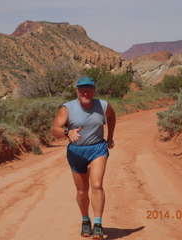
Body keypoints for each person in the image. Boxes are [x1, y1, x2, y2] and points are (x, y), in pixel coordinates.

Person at [52, 76, 116, 239]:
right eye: (82, 89)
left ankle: (98, 224)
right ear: (76, 90)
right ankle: (85, 220)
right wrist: (68, 132)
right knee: (82, 191)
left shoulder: (103, 105)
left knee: (96, 185)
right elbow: (55, 129)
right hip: (76, 152)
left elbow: (112, 116)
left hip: (97, 149)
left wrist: (110, 137)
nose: (85, 92)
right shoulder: (67, 108)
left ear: (94, 90)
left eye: (89, 88)